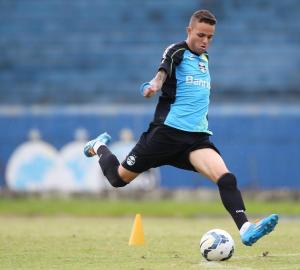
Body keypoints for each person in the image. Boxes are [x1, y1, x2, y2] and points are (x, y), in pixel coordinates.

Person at [84, 9, 278, 246]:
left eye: (210, 37)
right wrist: (155, 84)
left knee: (226, 178)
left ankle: (246, 229)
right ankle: (99, 146)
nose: (205, 41)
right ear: (189, 31)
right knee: (118, 179)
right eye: (200, 35)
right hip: (165, 135)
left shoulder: (205, 60)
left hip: (196, 140)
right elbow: (163, 69)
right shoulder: (177, 51)